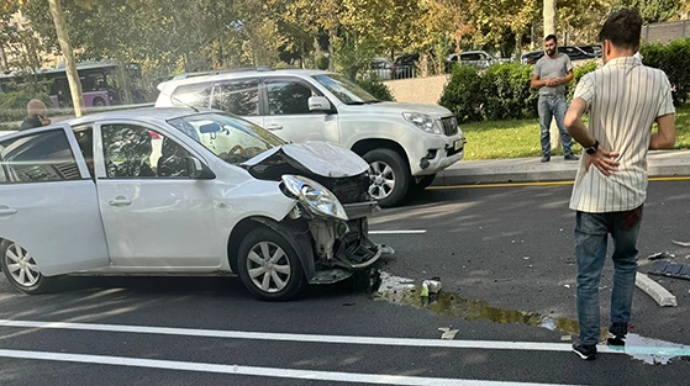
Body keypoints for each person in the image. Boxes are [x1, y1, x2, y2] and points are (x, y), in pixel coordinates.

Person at [564, 9, 676, 361]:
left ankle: (586, 342)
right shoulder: (658, 80)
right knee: (626, 262)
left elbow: (570, 120)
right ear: (639, 43)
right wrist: (639, 143)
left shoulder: (594, 80)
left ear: (606, 45)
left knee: (588, 273)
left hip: (594, 194)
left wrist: (593, 147)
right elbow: (668, 138)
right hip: (631, 194)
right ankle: (618, 330)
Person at [531, 35, 579, 163]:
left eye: (551, 45)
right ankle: (546, 154)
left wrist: (561, 80)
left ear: (556, 44)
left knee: (564, 126)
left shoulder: (564, 58)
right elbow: (533, 83)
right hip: (544, 99)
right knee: (544, 128)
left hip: (559, 98)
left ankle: (568, 152)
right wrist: (545, 82)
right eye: (546, 46)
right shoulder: (540, 62)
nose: (548, 48)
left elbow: (571, 75)